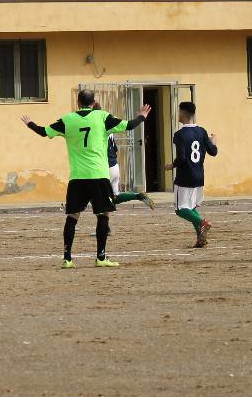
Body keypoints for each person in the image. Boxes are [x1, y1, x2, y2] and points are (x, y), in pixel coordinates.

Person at [21, 89, 151, 269]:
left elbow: (44, 132)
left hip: (78, 177)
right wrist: (142, 116)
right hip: (98, 175)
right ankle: (101, 257)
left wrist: (30, 124)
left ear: (78, 101)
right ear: (94, 101)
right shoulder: (102, 117)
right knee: (103, 215)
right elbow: (129, 126)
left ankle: (67, 259)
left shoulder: (68, 120)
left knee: (72, 217)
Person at [164, 102, 217, 248]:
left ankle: (202, 223)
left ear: (183, 113)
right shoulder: (202, 131)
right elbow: (213, 152)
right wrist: (214, 142)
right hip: (199, 175)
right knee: (191, 207)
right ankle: (200, 239)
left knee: (180, 209)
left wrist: (171, 165)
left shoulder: (179, 135)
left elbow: (181, 158)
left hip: (185, 177)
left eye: (179, 111)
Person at [91, 103, 155, 210]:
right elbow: (116, 146)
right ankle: (138, 196)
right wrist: (139, 117)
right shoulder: (109, 123)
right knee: (115, 197)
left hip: (104, 167)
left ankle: (102, 220)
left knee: (95, 196)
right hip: (114, 166)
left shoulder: (96, 126)